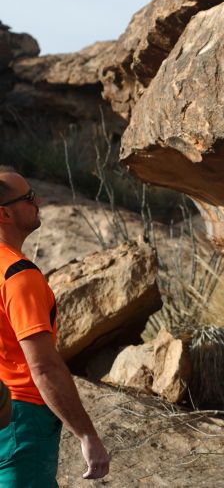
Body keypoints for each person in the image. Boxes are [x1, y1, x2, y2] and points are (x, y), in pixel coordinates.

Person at [0, 167, 110, 485]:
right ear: (5, 214)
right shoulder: (18, 276)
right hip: (21, 419)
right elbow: (44, 367)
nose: (40, 200)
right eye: (30, 197)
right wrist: (87, 435)